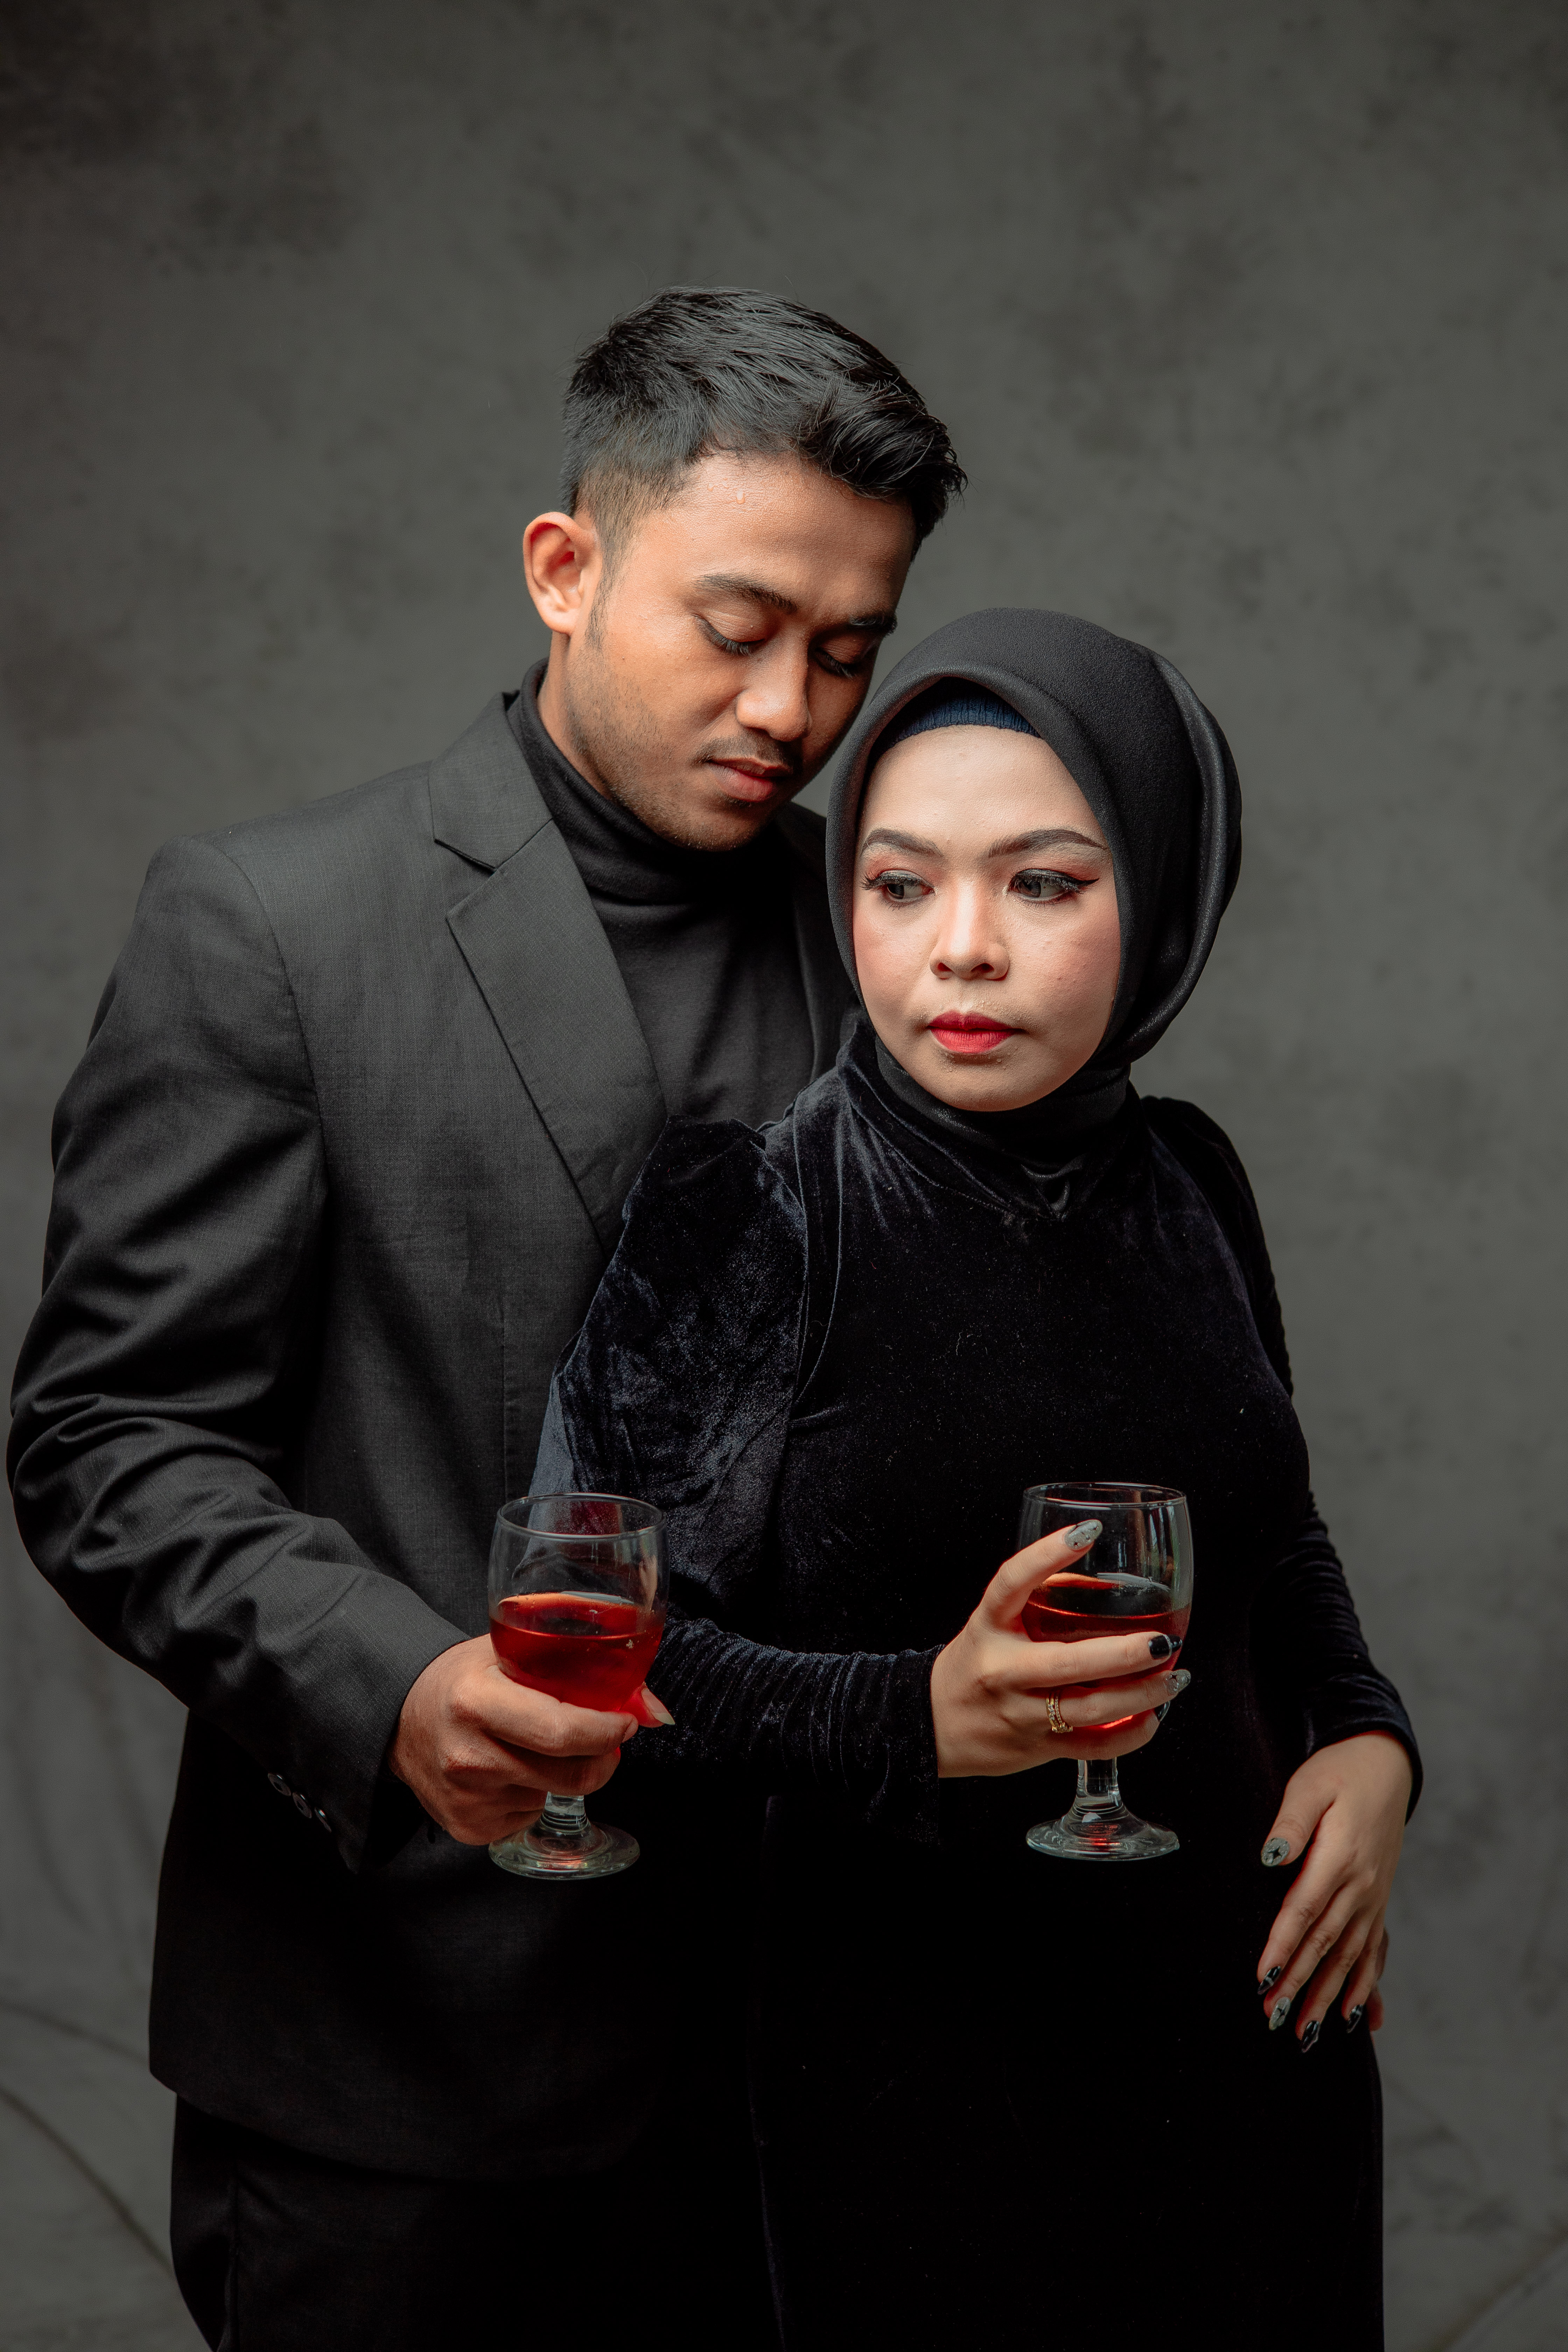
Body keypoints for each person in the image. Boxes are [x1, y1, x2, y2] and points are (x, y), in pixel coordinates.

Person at [6, 288, 963, 2350]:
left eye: (849, 649)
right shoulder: (270, 925)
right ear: (563, 568)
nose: (792, 706)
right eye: (737, 625)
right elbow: (106, 1444)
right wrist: (395, 1685)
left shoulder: (899, 936)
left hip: (808, 2075)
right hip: (398, 2062)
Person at [535, 607, 1421, 2351]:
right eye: (898, 883)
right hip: (903, 2082)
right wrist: (917, 1716)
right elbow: (607, 1658)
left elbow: (1272, 1539)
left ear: (1158, 900)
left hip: (1248, 2048)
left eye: (1043, 884)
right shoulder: (748, 1208)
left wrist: (1371, 1738)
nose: (961, 949)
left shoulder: (1193, 1179)